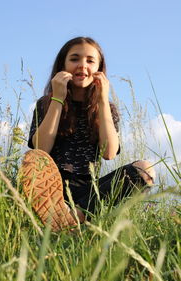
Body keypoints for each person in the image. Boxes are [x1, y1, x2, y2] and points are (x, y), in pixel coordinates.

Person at [21, 36, 156, 232]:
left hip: (88, 193)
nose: (82, 65)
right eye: (74, 59)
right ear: (63, 65)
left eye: (90, 61)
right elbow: (41, 149)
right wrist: (58, 99)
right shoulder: (46, 103)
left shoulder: (108, 109)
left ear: (99, 69)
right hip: (50, 190)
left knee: (145, 170)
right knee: (33, 159)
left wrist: (102, 101)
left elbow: (109, 153)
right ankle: (67, 218)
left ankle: (71, 219)